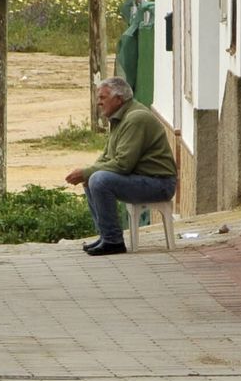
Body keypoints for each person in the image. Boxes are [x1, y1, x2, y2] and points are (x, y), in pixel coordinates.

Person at [64, 77, 177, 256]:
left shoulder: (135, 118)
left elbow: (123, 164)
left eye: (103, 97)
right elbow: (107, 157)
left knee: (99, 179)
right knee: (92, 178)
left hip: (159, 183)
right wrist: (86, 173)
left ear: (119, 99)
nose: (99, 102)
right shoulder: (120, 118)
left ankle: (113, 241)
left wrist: (88, 172)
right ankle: (105, 235)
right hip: (142, 178)